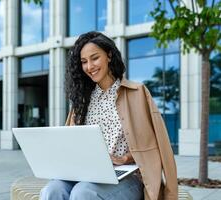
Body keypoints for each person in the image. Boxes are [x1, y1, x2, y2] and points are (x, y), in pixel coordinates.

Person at [40, 31, 178, 200]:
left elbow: (158, 146)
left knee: (84, 193)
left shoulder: (137, 93)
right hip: (86, 173)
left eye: (95, 58)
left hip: (127, 177)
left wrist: (125, 158)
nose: (89, 66)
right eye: (84, 62)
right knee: (52, 190)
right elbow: (71, 145)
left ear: (109, 56)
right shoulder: (82, 101)